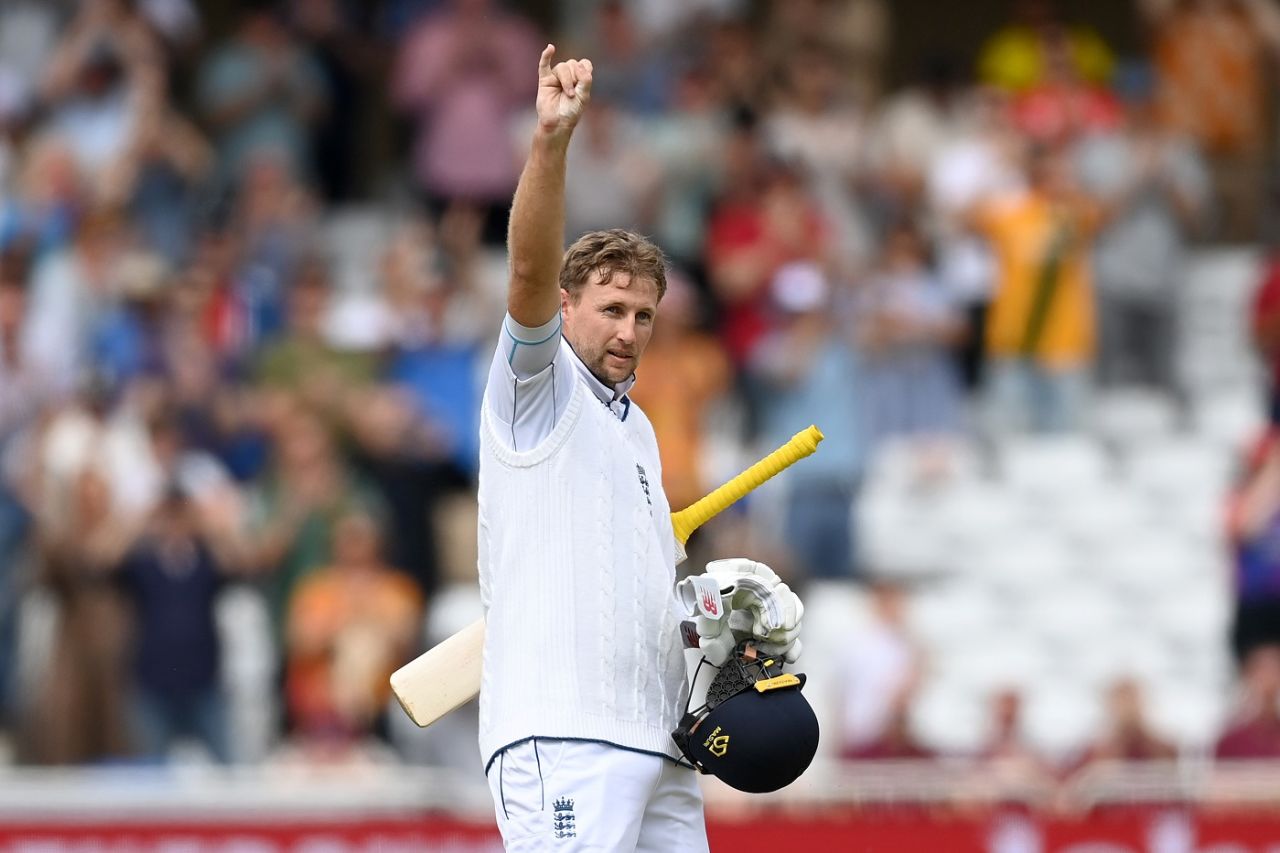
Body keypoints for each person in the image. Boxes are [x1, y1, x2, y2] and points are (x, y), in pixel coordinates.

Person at [477, 45, 801, 850]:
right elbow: (524, 270)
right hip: (564, 733)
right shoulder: (536, 388)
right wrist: (551, 143)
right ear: (566, 304)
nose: (628, 330)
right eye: (612, 307)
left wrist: (722, 639)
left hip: (661, 740)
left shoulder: (640, 429)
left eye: (644, 315)